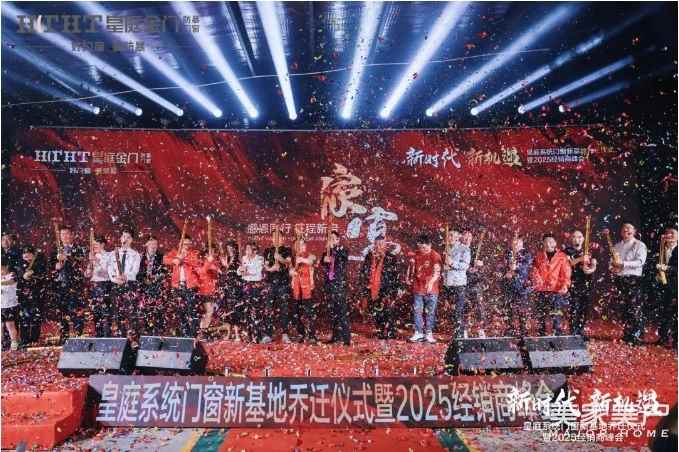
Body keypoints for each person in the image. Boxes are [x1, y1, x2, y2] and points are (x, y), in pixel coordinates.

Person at [610, 223, 648, 345]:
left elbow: (640, 262)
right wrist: (613, 268)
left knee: (635, 308)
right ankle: (627, 334)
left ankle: (637, 336)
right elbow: (611, 262)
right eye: (624, 228)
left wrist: (623, 264)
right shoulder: (617, 246)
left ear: (634, 231)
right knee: (624, 308)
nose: (626, 230)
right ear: (621, 232)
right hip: (620, 279)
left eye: (629, 228)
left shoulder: (640, 245)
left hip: (633, 279)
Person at [359, 234, 402, 339]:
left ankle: (390, 332)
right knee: (377, 311)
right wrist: (364, 283)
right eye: (377, 244)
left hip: (387, 287)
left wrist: (398, 287)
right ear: (374, 244)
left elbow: (396, 274)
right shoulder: (369, 256)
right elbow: (364, 271)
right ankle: (380, 330)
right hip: (373, 288)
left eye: (381, 244)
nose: (379, 246)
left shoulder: (391, 257)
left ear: (385, 245)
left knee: (388, 311)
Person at [49, 225, 86, 344]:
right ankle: (64, 335)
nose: (64, 237)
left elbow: (81, 264)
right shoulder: (55, 250)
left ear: (72, 235)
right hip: (60, 285)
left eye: (67, 234)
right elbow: (50, 266)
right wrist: (56, 266)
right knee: (62, 311)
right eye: (62, 234)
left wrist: (68, 258)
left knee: (76, 310)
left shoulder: (79, 249)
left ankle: (79, 334)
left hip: (75, 284)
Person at [530, 233, 572, 336]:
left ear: (555, 243)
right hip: (542, 290)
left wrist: (565, 285)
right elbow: (534, 271)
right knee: (540, 315)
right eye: (546, 242)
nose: (548, 244)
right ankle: (541, 335)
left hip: (556, 290)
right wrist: (538, 283)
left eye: (551, 241)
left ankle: (557, 335)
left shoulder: (562, 256)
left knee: (556, 315)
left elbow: (566, 272)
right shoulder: (538, 256)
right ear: (543, 243)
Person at [164, 235, 202, 337]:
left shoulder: (193, 253)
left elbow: (196, 263)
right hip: (177, 286)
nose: (186, 246)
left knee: (192, 310)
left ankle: (194, 335)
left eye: (188, 244)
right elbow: (165, 259)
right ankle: (185, 334)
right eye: (184, 244)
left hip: (190, 286)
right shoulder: (175, 252)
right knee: (180, 310)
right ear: (180, 244)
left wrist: (182, 259)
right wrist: (174, 260)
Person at [106, 229, 141, 340]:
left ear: (131, 240)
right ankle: (120, 338)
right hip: (116, 285)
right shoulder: (113, 253)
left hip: (129, 285)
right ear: (121, 238)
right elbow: (110, 270)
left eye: (128, 237)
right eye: (123, 236)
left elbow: (135, 271)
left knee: (130, 312)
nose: (125, 239)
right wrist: (116, 279)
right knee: (117, 312)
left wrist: (126, 277)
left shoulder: (135, 255)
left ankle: (133, 339)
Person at [408, 234, 442, 344]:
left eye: (425, 247)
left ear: (430, 245)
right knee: (417, 311)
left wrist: (431, 283)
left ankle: (429, 333)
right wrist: (409, 276)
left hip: (431, 290)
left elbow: (437, 273)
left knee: (430, 312)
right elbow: (411, 269)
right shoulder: (416, 254)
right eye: (420, 247)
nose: (423, 249)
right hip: (418, 288)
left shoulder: (435, 256)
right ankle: (418, 332)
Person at [564, 229, 597, 338]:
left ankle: (581, 330)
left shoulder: (588, 251)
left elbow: (594, 264)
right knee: (574, 307)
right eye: (574, 237)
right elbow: (569, 263)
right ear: (571, 239)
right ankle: (573, 331)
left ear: (583, 239)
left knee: (584, 308)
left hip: (586, 282)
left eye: (579, 237)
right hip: (573, 282)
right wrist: (580, 259)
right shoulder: (567, 251)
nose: (576, 239)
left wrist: (590, 269)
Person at [263, 230, 292, 344]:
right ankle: (268, 334)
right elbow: (266, 266)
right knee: (268, 308)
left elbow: (288, 263)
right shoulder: (267, 251)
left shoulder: (287, 250)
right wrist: (272, 269)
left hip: (283, 284)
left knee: (284, 309)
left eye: (278, 237)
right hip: (270, 283)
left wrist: (279, 258)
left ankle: (285, 334)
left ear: (282, 238)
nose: (276, 239)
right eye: (274, 237)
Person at [322, 231, 351, 345]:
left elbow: (343, 257)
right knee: (333, 312)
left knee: (342, 312)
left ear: (338, 240)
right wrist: (325, 258)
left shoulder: (342, 250)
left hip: (339, 286)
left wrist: (333, 248)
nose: (331, 241)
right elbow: (323, 262)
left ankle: (346, 339)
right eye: (329, 239)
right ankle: (336, 337)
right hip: (330, 286)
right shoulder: (327, 252)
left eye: (333, 238)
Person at [501, 235, 533, 337]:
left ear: (522, 243)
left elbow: (526, 267)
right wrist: (505, 273)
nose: (515, 244)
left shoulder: (526, 254)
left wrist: (516, 268)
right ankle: (509, 328)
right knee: (508, 309)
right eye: (514, 242)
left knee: (522, 309)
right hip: (508, 286)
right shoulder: (507, 254)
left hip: (522, 287)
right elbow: (501, 266)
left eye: (518, 242)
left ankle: (523, 330)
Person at [442, 228, 471, 339]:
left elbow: (465, 266)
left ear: (458, 236)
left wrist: (452, 263)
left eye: (452, 235)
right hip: (448, 284)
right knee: (451, 310)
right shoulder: (446, 248)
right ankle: (455, 333)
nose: (450, 237)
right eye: (449, 235)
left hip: (458, 284)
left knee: (458, 311)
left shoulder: (464, 249)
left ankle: (460, 335)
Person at [17, 246, 48, 345]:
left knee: (36, 316)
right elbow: (18, 277)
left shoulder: (39, 263)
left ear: (33, 255)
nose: (26, 256)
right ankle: (24, 339)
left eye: (29, 254)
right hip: (23, 295)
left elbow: (43, 276)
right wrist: (23, 276)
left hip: (37, 293)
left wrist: (33, 274)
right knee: (24, 317)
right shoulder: (20, 264)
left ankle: (34, 339)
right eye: (24, 254)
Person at [289, 238, 318, 343]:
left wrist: (301, 259)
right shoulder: (292, 258)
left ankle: (312, 335)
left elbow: (311, 261)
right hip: (296, 289)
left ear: (305, 246)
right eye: (297, 245)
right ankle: (301, 334)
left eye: (302, 245)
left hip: (307, 288)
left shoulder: (310, 256)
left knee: (309, 312)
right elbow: (290, 271)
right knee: (297, 313)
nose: (300, 247)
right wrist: (293, 272)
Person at [137, 236, 167, 336]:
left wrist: (154, 279)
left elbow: (164, 272)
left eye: (156, 244)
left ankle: (159, 333)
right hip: (144, 288)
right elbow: (137, 273)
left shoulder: (161, 257)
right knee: (145, 311)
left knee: (158, 311)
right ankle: (147, 332)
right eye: (152, 244)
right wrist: (144, 280)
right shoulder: (140, 257)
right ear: (146, 245)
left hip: (157, 288)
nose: (154, 246)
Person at [237, 242, 266, 343]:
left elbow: (257, 273)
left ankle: (257, 335)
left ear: (255, 250)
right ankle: (248, 335)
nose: (247, 251)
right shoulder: (244, 258)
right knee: (246, 310)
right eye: (246, 249)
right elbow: (239, 272)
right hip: (246, 286)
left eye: (249, 249)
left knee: (256, 310)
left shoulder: (260, 259)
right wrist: (242, 270)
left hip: (255, 286)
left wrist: (247, 272)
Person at [84, 236, 113, 337]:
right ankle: (98, 334)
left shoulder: (109, 255)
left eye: (96, 244)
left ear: (102, 244)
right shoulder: (92, 256)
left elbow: (107, 272)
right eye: (93, 245)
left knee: (106, 312)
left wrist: (96, 261)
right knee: (96, 312)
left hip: (105, 285)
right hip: (94, 286)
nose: (94, 247)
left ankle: (107, 335)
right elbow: (87, 274)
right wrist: (89, 267)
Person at [462, 230, 486, 338]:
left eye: (469, 236)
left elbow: (485, 268)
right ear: (461, 237)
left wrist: (481, 265)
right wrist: (467, 269)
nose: (467, 238)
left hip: (476, 284)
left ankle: (480, 329)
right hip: (463, 283)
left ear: (472, 238)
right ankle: (464, 329)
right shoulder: (458, 250)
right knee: (465, 307)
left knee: (479, 308)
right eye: (465, 236)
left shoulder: (477, 250)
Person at [218, 240, 243, 342]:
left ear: (235, 249)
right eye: (228, 248)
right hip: (227, 288)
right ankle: (228, 333)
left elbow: (239, 273)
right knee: (227, 311)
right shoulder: (227, 259)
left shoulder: (238, 260)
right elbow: (223, 261)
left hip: (236, 288)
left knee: (235, 311)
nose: (229, 250)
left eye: (231, 248)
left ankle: (237, 335)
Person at [656, 227, 677, 347]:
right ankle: (663, 337)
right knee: (665, 311)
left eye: (672, 233)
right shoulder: (661, 249)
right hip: (664, 285)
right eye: (667, 233)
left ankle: (676, 340)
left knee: (676, 312)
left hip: (676, 285)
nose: (669, 235)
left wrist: (667, 268)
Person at [197, 248, 220, 340]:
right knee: (208, 312)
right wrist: (208, 261)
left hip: (212, 291)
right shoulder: (200, 262)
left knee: (210, 313)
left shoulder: (213, 262)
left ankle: (204, 331)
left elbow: (217, 271)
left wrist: (212, 262)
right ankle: (201, 332)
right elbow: (202, 271)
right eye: (211, 252)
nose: (213, 254)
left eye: (214, 252)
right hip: (204, 291)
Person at [1, 259, 20, 351]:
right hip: (1, 305)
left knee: (10, 325)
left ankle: (14, 342)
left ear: (6, 267)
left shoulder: (12, 275)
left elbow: (12, 282)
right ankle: (2, 343)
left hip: (9, 305)